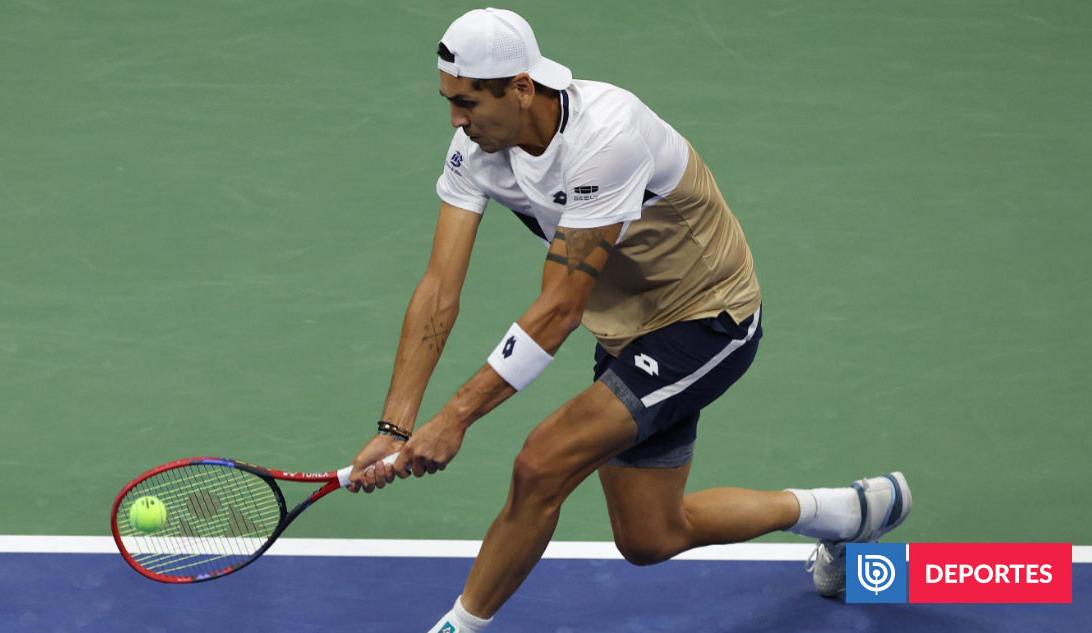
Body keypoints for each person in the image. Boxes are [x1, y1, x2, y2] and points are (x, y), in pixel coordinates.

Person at [346, 8, 912, 631]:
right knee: (650, 536)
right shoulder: (477, 150)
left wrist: (455, 418)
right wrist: (395, 427)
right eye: (450, 101)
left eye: (468, 102)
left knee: (541, 464)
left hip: (708, 317)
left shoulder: (606, 137)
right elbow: (438, 290)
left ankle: (457, 626)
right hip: (626, 328)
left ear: (522, 88)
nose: (456, 119)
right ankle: (846, 513)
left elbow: (559, 310)